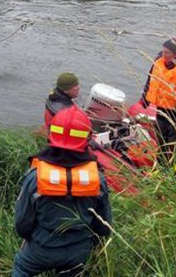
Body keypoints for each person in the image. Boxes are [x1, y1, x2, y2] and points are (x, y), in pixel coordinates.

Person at [13, 106, 112, 277]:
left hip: (42, 248)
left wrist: (33, 240)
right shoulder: (98, 179)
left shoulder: (35, 177)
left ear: (51, 134)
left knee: (22, 269)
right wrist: (89, 242)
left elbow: (22, 223)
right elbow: (104, 227)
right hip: (79, 251)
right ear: (87, 139)